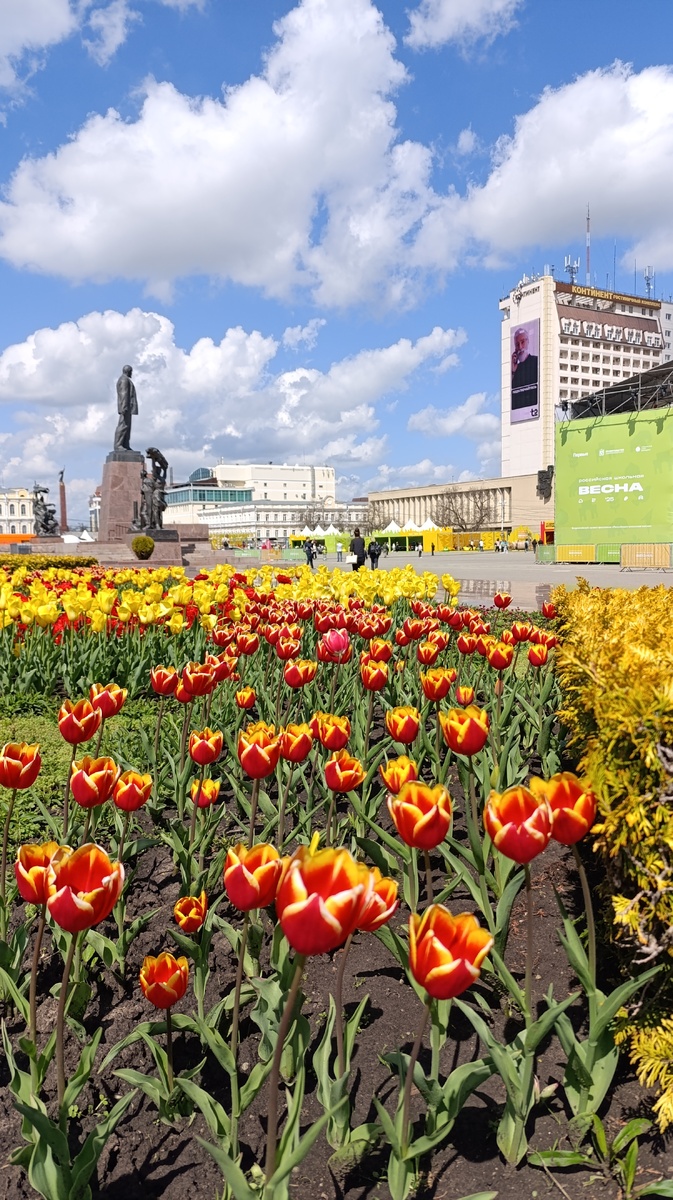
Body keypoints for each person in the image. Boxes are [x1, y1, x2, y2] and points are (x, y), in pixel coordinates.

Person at [114, 365, 138, 453]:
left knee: (127, 426)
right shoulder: (124, 380)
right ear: (128, 371)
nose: (131, 373)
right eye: (131, 371)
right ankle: (119, 445)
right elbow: (124, 393)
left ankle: (125, 444)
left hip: (127, 408)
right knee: (123, 426)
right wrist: (124, 407)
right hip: (126, 407)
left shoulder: (125, 379)